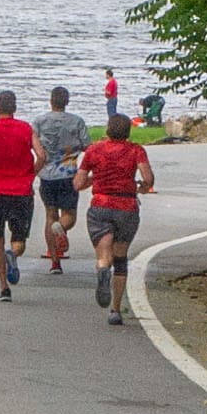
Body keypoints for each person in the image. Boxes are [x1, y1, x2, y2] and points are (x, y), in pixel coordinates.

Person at [76, 114, 154, 324]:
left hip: (101, 206)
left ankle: (102, 268)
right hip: (126, 208)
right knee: (120, 258)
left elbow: (78, 182)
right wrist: (143, 188)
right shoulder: (136, 150)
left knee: (104, 253)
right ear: (128, 131)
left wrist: (93, 179)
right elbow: (148, 178)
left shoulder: (94, 150)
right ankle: (115, 310)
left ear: (108, 129)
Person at [0, 89, 42, 304]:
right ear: (14, 108)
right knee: (19, 239)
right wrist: (31, 174)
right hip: (21, 191)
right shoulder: (26, 129)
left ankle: (3, 287)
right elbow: (42, 155)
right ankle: (13, 254)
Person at [33, 85, 88, 269]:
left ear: (51, 101)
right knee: (69, 215)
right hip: (68, 174)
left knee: (50, 215)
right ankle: (61, 228)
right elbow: (87, 145)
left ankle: (55, 261)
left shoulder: (40, 121)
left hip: (46, 175)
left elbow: (33, 144)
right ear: (67, 102)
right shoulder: (77, 121)